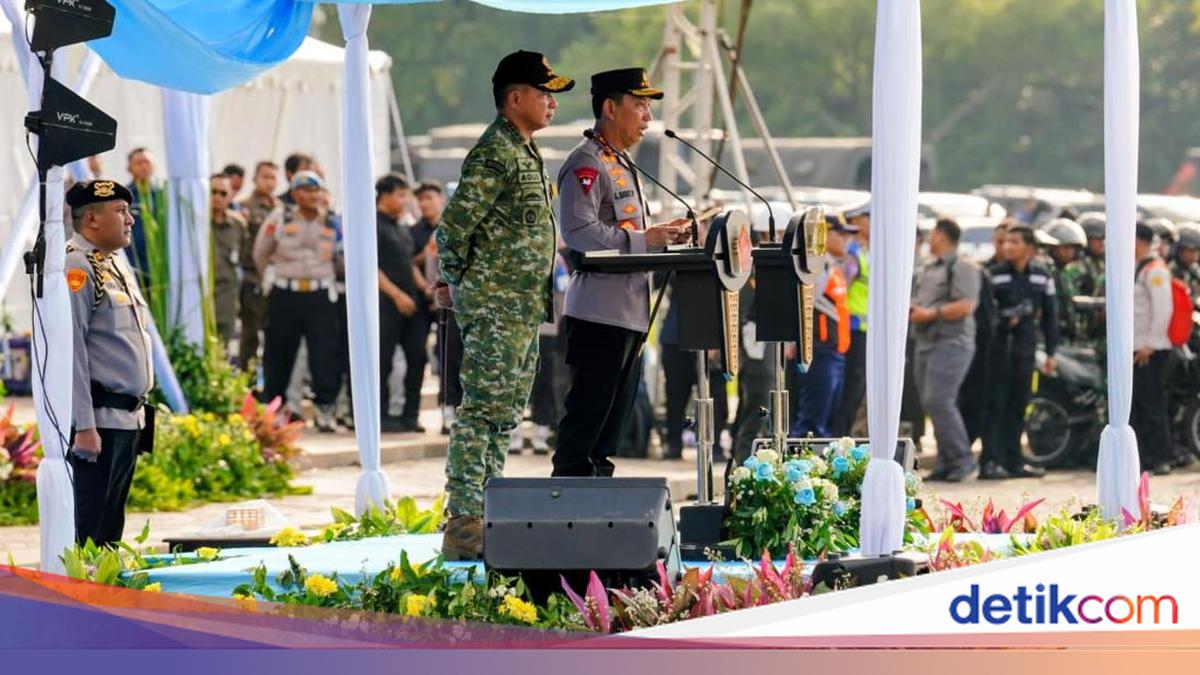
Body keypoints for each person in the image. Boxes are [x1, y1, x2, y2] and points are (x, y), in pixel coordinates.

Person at [434, 50, 573, 560]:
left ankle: (486, 507)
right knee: (482, 412)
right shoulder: (496, 153)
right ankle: (465, 519)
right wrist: (463, 286)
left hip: (517, 306)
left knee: (504, 414)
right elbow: (451, 230)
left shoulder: (524, 150)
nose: (552, 103)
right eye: (544, 93)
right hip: (494, 306)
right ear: (515, 98)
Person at [553, 67, 690, 476]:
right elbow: (578, 232)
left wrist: (664, 237)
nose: (648, 115)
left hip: (628, 310)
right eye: (640, 104)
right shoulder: (587, 162)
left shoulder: (621, 162)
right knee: (588, 422)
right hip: (599, 312)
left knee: (609, 430)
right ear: (610, 108)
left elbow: (625, 230)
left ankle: (597, 497)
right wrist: (645, 240)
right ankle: (568, 503)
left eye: (649, 105)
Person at [65, 180, 154, 547]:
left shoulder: (114, 263)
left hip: (127, 419)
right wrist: (83, 425)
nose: (130, 220)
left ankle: (100, 598)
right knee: (90, 532)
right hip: (99, 422)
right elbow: (70, 351)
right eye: (119, 212)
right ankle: (80, 601)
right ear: (91, 219)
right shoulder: (77, 265)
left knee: (110, 532)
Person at [252, 170, 343, 432]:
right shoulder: (280, 217)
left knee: (325, 353)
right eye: (305, 190)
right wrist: (271, 279)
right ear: (294, 194)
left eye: (316, 190)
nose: (312, 195)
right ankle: (275, 409)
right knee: (278, 352)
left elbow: (340, 258)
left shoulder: (332, 221)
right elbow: (260, 252)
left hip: (320, 293)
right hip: (286, 292)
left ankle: (325, 410)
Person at [979, 225, 1057, 480]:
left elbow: (1050, 316)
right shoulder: (994, 274)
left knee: (1018, 407)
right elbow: (986, 313)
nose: (1007, 246)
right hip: (999, 351)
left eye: (1014, 242)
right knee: (994, 406)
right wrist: (1004, 319)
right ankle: (990, 461)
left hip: (1025, 351)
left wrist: (1052, 353)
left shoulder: (1042, 276)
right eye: (1006, 242)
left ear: (1030, 248)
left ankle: (1014, 461)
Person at [910, 219, 981, 482]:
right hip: (926, 341)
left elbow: (967, 305)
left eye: (933, 233)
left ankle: (962, 459)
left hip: (951, 341)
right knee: (930, 402)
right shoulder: (927, 267)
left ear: (942, 235)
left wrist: (931, 313)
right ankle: (945, 461)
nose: (930, 238)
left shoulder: (963, 266)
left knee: (939, 400)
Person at [790, 214, 853, 438]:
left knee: (826, 420)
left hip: (834, 351)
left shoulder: (831, 265)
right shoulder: (815, 266)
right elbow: (799, 304)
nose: (847, 239)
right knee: (812, 423)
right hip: (819, 350)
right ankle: (800, 469)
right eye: (841, 233)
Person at [375, 173, 428, 433]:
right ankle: (381, 416)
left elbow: (409, 264)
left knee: (418, 358)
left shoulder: (402, 227)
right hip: (386, 303)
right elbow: (371, 268)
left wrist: (425, 289)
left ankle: (410, 415)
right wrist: (396, 295)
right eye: (401, 195)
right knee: (382, 361)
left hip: (412, 304)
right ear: (384, 196)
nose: (405, 201)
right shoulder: (373, 225)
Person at [958, 219, 1008, 447]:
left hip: (1011, 347)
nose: (1006, 246)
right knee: (972, 398)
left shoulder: (1031, 271)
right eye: (1001, 241)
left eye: (1011, 241)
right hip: (981, 346)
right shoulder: (984, 271)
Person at [1132, 223, 1176, 476]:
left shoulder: (1155, 270)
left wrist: (1150, 343)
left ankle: (1160, 457)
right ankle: (1144, 457)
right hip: (1138, 347)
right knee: (1138, 403)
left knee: (1152, 403)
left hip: (1151, 349)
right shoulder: (1138, 268)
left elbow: (1163, 309)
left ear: (1139, 242)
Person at [830, 198, 870, 437]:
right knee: (849, 390)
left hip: (860, 330)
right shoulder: (852, 256)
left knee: (856, 390)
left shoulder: (861, 253)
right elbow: (840, 290)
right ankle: (839, 435)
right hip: (852, 330)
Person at [236, 161, 282, 370]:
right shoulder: (244, 206)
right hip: (253, 277)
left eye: (273, 177)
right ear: (255, 179)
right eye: (266, 177)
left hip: (276, 279)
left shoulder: (280, 208)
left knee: (274, 334)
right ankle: (248, 381)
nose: (270, 182)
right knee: (251, 334)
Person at [209, 173, 247, 347]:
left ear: (231, 196)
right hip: (202, 294)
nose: (217, 197)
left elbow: (244, 255)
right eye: (213, 192)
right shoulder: (195, 222)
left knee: (223, 346)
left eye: (223, 193)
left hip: (227, 296)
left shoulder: (238, 225)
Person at [1039, 217, 1090, 342]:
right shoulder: (1043, 273)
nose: (1069, 252)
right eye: (1065, 248)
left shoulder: (1070, 274)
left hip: (1069, 336)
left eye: (1072, 248)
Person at [125, 147, 165, 303]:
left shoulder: (161, 195)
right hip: (134, 266)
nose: (144, 167)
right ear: (130, 168)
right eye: (139, 163)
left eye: (147, 162)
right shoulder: (125, 196)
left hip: (159, 268)